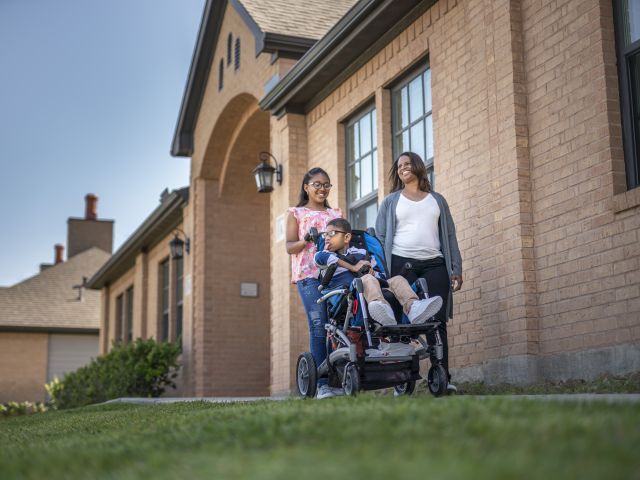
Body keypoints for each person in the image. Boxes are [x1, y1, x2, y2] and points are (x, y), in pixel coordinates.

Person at [375, 152, 463, 392]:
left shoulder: (437, 200)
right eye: (399, 165)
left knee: (437, 320)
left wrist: (455, 268)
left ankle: (441, 376)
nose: (403, 167)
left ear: (418, 167)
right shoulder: (391, 201)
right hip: (402, 264)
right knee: (399, 322)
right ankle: (400, 379)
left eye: (407, 163)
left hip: (436, 264)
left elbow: (450, 236)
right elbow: (381, 237)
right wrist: (382, 271)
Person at [314, 218, 443, 327]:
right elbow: (331, 260)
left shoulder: (363, 254)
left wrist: (372, 272)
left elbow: (380, 274)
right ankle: (381, 308)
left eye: (331, 233)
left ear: (347, 237)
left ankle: (413, 307)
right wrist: (354, 268)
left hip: (373, 285)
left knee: (397, 279)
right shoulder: (322, 255)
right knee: (366, 279)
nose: (326, 237)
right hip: (349, 293)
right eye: (325, 234)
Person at [286, 167, 343, 399]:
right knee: (319, 325)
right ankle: (321, 385)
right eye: (317, 184)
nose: (322, 189)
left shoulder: (335, 214)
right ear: (306, 187)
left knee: (336, 328)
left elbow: (343, 243)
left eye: (326, 185)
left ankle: (336, 381)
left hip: (335, 275)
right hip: (309, 276)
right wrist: (307, 239)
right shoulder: (296, 213)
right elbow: (289, 247)